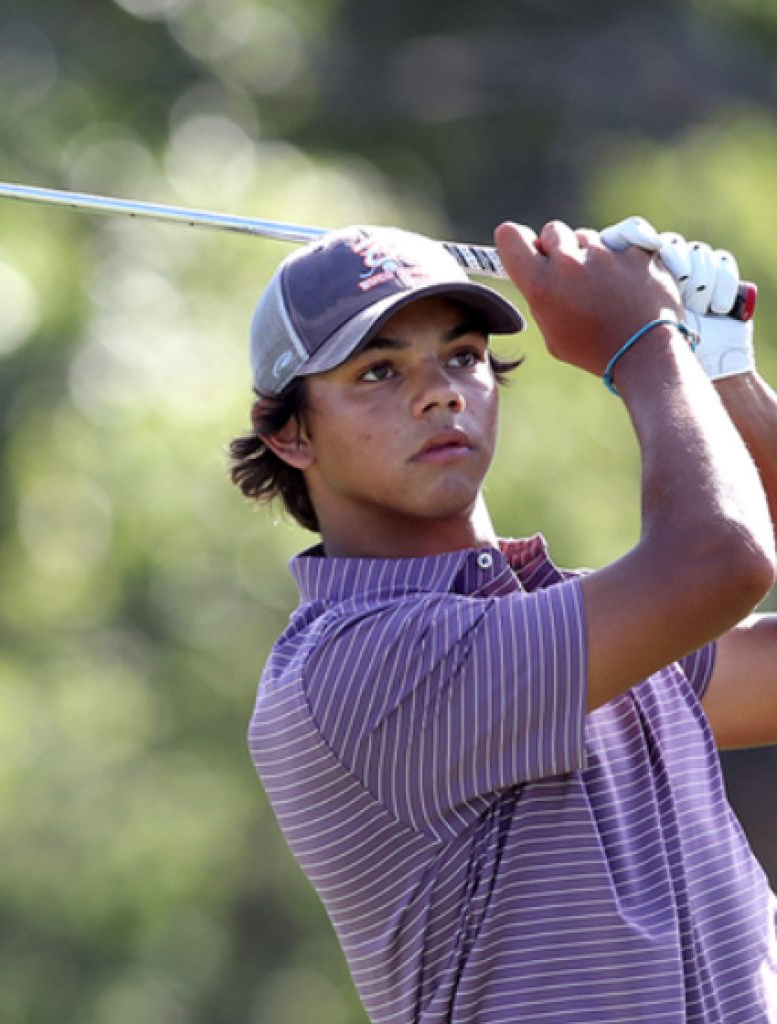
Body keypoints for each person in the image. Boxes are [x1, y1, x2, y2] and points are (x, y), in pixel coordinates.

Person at [229, 218, 777, 1023]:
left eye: (462, 356)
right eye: (378, 371)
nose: (442, 392)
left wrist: (724, 371)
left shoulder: (563, 627)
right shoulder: (351, 668)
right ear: (289, 434)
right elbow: (721, 562)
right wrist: (647, 340)